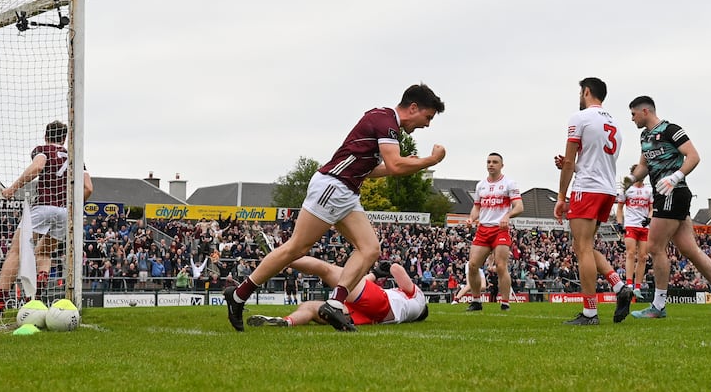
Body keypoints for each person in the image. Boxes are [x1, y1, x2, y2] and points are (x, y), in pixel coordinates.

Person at [224, 84, 446, 332]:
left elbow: (371, 170)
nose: (426, 125)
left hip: (346, 191)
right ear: (413, 107)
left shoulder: (384, 121)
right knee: (297, 247)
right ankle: (238, 295)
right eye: (427, 117)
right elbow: (394, 165)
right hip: (334, 186)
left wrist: (412, 164)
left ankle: (334, 303)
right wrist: (431, 160)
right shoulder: (386, 122)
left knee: (370, 249)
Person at [624, 96, 711, 319]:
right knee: (689, 250)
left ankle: (658, 306)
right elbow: (643, 166)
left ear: (645, 111)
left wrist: (676, 177)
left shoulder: (671, 129)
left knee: (655, 248)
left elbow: (693, 156)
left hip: (672, 193)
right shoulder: (645, 136)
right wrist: (627, 182)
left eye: (633, 114)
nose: (632, 119)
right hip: (666, 195)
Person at [553, 78, 633, 325]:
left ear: (586, 91)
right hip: (606, 190)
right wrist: (575, 166)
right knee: (583, 246)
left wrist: (561, 196)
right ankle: (619, 287)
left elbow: (569, 161)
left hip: (586, 189)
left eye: (580, 92)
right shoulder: (615, 124)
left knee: (583, 248)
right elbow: (591, 162)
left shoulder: (580, 118)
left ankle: (590, 312)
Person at [0, 121, 93, 307]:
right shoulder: (74, 156)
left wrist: (13, 188)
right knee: (44, 252)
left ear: (46, 136)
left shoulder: (42, 150)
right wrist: (72, 207)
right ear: (64, 139)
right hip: (65, 211)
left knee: (16, 250)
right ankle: (36, 296)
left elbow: (38, 167)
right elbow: (88, 188)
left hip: (43, 206)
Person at [246, 256, 428, 329]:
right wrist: (376, 274)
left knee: (325, 269)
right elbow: (358, 285)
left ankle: (282, 258)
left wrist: (385, 268)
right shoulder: (410, 309)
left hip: (382, 304)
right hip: (373, 315)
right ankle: (287, 322)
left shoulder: (418, 297)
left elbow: (396, 269)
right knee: (309, 307)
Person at [465, 152, 523, 312]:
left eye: (495, 162)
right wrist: (471, 219)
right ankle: (476, 301)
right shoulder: (480, 185)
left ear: (501, 165)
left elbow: (519, 206)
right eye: (489, 162)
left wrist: (508, 215)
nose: (491, 164)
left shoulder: (509, 183)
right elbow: (477, 206)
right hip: (483, 229)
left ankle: (505, 302)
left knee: (501, 266)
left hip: (500, 230)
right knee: (473, 265)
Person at [615, 164, 653, 299]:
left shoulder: (649, 191)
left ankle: (638, 286)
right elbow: (619, 208)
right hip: (631, 225)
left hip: (643, 227)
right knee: (630, 253)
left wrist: (649, 219)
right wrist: (620, 223)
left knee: (643, 257)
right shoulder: (627, 190)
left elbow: (651, 209)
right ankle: (629, 283)